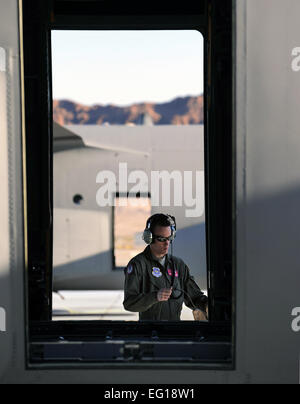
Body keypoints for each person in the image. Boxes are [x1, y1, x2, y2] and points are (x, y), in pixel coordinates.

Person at [123, 213, 208, 321]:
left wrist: (206, 305)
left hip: (174, 332)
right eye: (161, 239)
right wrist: (155, 297)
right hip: (149, 333)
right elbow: (129, 303)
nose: (167, 243)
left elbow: (194, 297)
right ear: (149, 238)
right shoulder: (138, 265)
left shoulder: (178, 265)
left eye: (169, 238)